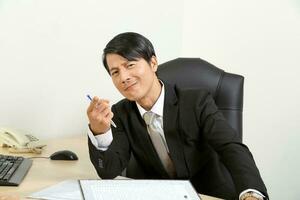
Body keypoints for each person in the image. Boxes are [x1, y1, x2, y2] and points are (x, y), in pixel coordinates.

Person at [86, 32, 268, 200]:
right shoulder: (119, 114)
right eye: (115, 72)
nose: (123, 77)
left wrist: (251, 192)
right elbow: (108, 171)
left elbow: (231, 147)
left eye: (130, 65)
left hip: (209, 193)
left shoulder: (196, 102)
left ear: (153, 63)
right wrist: (100, 131)